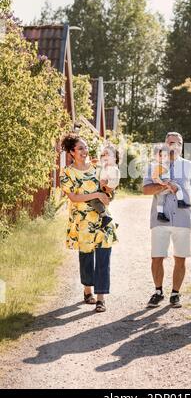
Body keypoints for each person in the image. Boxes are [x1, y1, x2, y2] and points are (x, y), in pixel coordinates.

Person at [143, 132, 191, 308]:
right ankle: (158, 291)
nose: (174, 146)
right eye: (170, 142)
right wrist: (163, 185)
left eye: (178, 143)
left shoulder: (189, 166)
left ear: (181, 146)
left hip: (183, 219)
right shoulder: (153, 166)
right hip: (159, 219)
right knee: (157, 257)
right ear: (165, 144)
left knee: (181, 257)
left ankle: (175, 294)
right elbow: (146, 190)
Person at [60, 133, 118, 313]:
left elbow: (108, 190)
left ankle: (101, 298)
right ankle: (87, 289)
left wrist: (108, 194)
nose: (85, 151)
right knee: (86, 258)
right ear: (71, 152)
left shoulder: (97, 168)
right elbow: (74, 197)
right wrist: (96, 195)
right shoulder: (67, 173)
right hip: (83, 221)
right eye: (80, 148)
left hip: (102, 219)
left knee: (103, 257)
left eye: (85, 147)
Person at [151, 144, 190, 223]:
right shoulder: (158, 166)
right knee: (178, 188)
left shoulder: (163, 164)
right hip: (164, 182)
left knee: (161, 200)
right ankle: (180, 202)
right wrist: (161, 182)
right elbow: (155, 176)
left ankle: (160, 214)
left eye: (165, 155)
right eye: (160, 155)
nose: (163, 157)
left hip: (163, 184)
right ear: (155, 156)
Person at [88, 144, 121, 227]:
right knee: (100, 204)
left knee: (94, 200)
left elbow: (115, 182)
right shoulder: (104, 167)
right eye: (103, 154)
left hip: (108, 191)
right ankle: (112, 222)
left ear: (114, 158)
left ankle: (105, 216)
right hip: (102, 188)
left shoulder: (114, 169)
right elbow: (98, 174)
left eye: (108, 154)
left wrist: (107, 183)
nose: (105, 156)